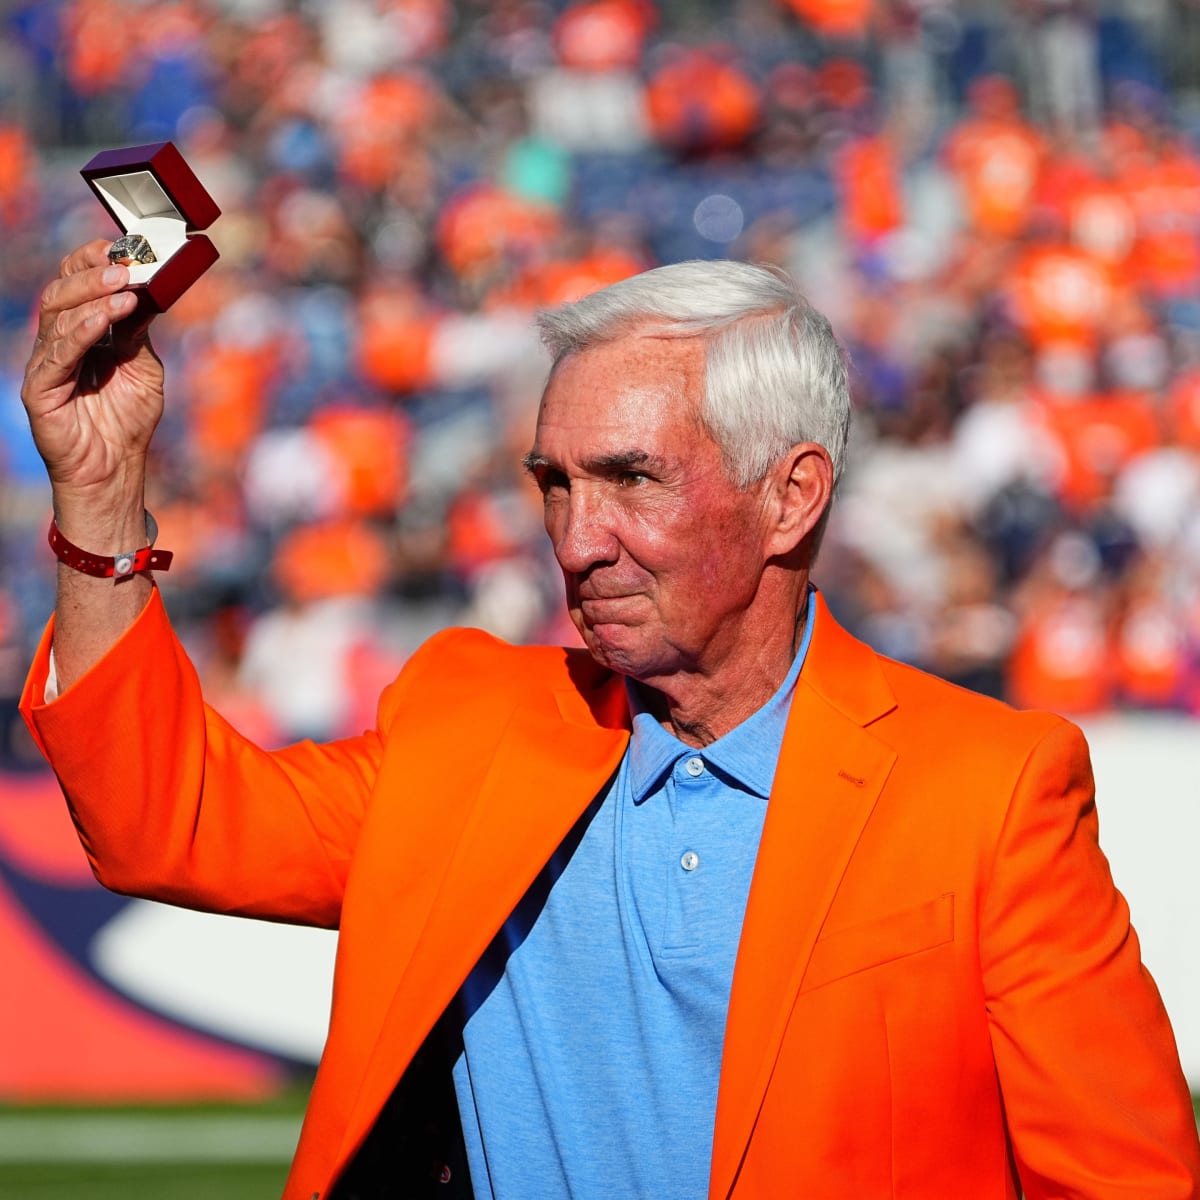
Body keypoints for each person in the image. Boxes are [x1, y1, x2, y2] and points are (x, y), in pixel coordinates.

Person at [19, 243, 1200, 1200]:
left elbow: (1124, 1180)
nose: (578, 541)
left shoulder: (991, 791)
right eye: (555, 483)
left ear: (791, 495)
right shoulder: (470, 727)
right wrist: (102, 490)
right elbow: (161, 822)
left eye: (633, 478)